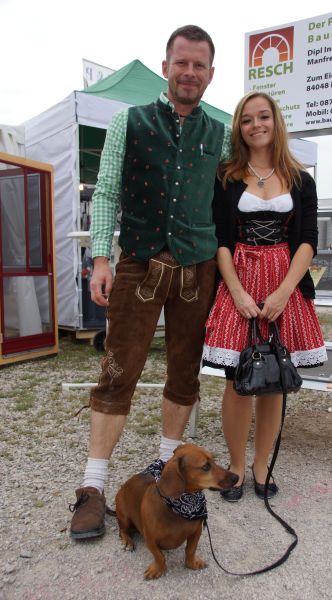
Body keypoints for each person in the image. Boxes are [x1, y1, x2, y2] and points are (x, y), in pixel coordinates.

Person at [69, 25, 231, 539]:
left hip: (197, 269)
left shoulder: (221, 134)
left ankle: (166, 472)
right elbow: (106, 191)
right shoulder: (129, 121)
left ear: (210, 74)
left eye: (199, 65)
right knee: (118, 372)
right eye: (181, 63)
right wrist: (100, 259)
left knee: (184, 374)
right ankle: (93, 488)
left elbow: (233, 197)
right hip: (139, 263)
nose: (189, 72)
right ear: (165, 67)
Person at [202, 91, 327, 502]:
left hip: (283, 282)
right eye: (247, 119)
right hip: (238, 278)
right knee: (237, 379)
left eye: (263, 117)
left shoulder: (300, 179)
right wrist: (237, 292)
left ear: (276, 122)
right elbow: (221, 239)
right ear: (239, 128)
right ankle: (237, 465)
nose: (256, 125)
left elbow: (307, 241)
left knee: (274, 379)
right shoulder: (226, 177)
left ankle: (261, 464)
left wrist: (284, 292)